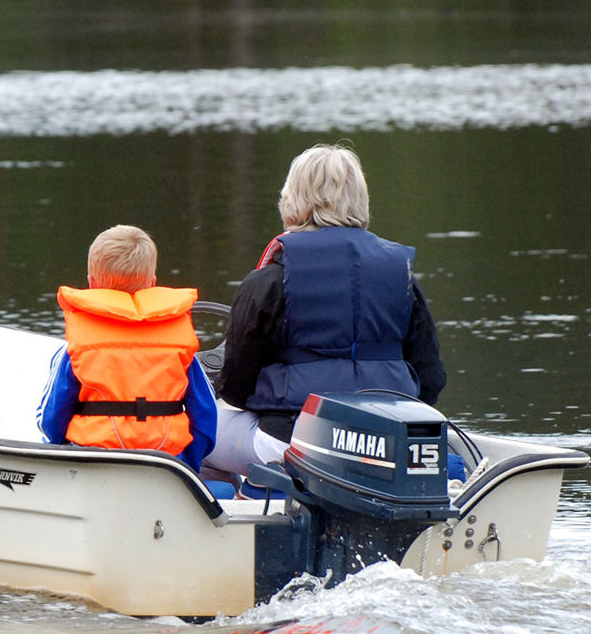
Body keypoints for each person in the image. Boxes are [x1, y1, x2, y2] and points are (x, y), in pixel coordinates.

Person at [210, 144, 450, 482]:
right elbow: (430, 381)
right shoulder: (401, 275)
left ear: (292, 200)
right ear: (360, 199)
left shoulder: (270, 279)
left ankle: (248, 499)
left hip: (289, 442)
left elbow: (235, 388)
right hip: (385, 443)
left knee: (198, 426)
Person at [36, 225, 217, 472]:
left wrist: (60, 453)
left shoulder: (75, 349)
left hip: (91, 463)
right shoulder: (180, 347)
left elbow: (52, 417)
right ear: (152, 283)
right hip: (167, 463)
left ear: (91, 283)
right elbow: (206, 416)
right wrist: (189, 465)